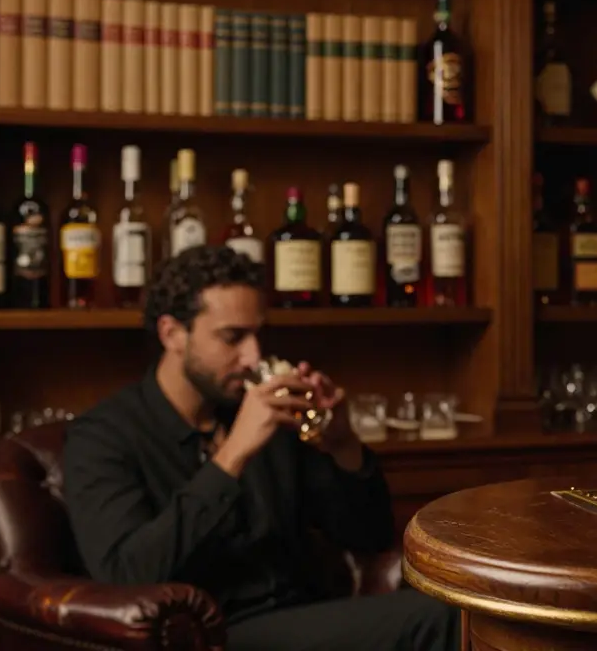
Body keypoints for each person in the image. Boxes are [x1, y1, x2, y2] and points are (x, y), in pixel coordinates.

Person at [63, 246, 459, 651]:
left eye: (257, 334)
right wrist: (232, 455)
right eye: (232, 337)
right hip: (211, 635)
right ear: (172, 334)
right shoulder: (102, 436)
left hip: (302, 616)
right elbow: (125, 575)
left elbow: (369, 536)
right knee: (440, 618)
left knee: (456, 609)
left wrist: (343, 446)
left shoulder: (263, 412)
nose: (253, 355)